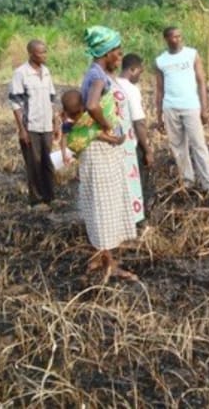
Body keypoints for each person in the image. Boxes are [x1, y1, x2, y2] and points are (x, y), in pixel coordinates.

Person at [79, 26, 137, 280]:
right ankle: (109, 265)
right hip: (100, 151)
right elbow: (92, 105)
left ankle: (103, 257)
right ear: (106, 52)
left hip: (102, 149)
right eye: (117, 51)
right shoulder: (98, 76)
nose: (120, 56)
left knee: (102, 204)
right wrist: (106, 125)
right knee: (104, 205)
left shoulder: (97, 72)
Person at [155, 27, 209, 193]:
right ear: (166, 39)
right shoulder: (161, 61)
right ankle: (188, 182)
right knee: (178, 147)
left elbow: (201, 82)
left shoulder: (192, 54)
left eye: (179, 36)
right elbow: (159, 90)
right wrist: (158, 115)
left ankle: (208, 184)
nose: (177, 40)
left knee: (199, 145)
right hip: (170, 107)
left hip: (190, 106)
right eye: (173, 37)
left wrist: (204, 108)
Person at [9, 40, 60, 209]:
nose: (44, 55)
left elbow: (51, 99)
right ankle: (36, 200)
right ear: (31, 53)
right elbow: (16, 104)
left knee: (47, 162)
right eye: (41, 53)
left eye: (45, 52)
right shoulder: (21, 73)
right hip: (30, 126)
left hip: (46, 125)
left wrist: (55, 122)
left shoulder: (46, 72)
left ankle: (50, 197)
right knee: (34, 163)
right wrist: (22, 130)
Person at [115, 53, 154, 224]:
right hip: (130, 146)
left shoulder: (111, 84)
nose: (140, 76)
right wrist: (147, 150)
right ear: (132, 70)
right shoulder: (131, 90)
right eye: (140, 72)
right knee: (137, 183)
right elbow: (139, 123)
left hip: (113, 143)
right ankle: (138, 220)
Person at [59, 89, 124, 159]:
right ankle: (114, 140)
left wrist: (63, 154)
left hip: (83, 142)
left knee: (95, 132)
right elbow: (64, 138)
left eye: (77, 113)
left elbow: (63, 138)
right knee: (95, 133)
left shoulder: (84, 115)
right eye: (75, 114)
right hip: (79, 138)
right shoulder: (67, 122)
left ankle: (115, 140)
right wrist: (63, 154)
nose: (77, 116)